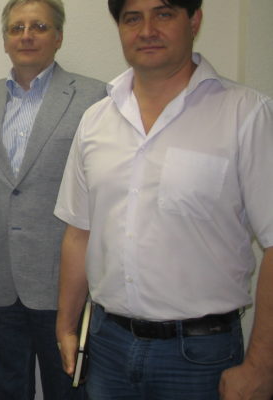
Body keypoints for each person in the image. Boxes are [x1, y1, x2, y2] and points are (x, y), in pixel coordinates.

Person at [54, 0, 273, 399]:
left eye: (164, 13)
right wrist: (67, 327)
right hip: (107, 346)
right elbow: (78, 232)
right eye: (132, 18)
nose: (147, 29)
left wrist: (261, 365)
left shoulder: (246, 114)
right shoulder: (96, 120)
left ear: (194, 21)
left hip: (200, 356)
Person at [0, 1, 104, 398]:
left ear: (58, 37)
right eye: (16, 27)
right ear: (4, 39)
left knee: (68, 389)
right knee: (5, 389)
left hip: (66, 280)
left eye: (38, 26)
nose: (26, 35)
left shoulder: (95, 97)